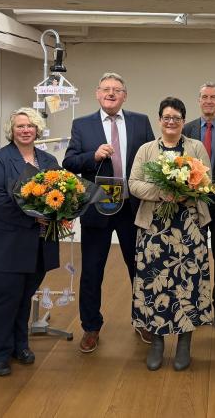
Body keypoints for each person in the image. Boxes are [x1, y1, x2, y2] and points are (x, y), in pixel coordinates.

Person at [63, 72, 155, 352]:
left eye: (117, 89)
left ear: (124, 95)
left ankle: (144, 320)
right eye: (106, 89)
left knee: (140, 268)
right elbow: (69, 162)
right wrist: (92, 157)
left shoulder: (140, 122)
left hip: (132, 207)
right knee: (92, 271)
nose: (111, 93)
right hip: (97, 207)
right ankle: (91, 327)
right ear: (97, 93)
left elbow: (152, 157)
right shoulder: (82, 125)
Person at [0, 108, 61, 376]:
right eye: (20, 126)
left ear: (37, 129)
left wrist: (59, 214)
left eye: (30, 125)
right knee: (2, 298)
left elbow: (63, 194)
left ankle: (19, 345)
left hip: (37, 247)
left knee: (23, 298)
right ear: (12, 131)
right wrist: (34, 219)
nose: (25, 130)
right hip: (2, 245)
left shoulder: (48, 159)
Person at [128, 97, 213, 371]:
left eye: (176, 117)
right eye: (166, 117)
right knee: (156, 285)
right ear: (160, 120)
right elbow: (134, 184)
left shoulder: (196, 147)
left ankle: (185, 343)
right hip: (154, 228)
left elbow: (206, 182)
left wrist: (183, 190)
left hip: (188, 225)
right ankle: (157, 343)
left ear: (183, 121)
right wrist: (161, 192)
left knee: (187, 284)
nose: (171, 122)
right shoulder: (146, 149)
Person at [182, 82, 215, 332]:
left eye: (214, 97)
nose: (209, 101)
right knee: (194, 255)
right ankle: (195, 305)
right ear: (199, 100)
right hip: (195, 203)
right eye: (204, 97)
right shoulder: (188, 128)